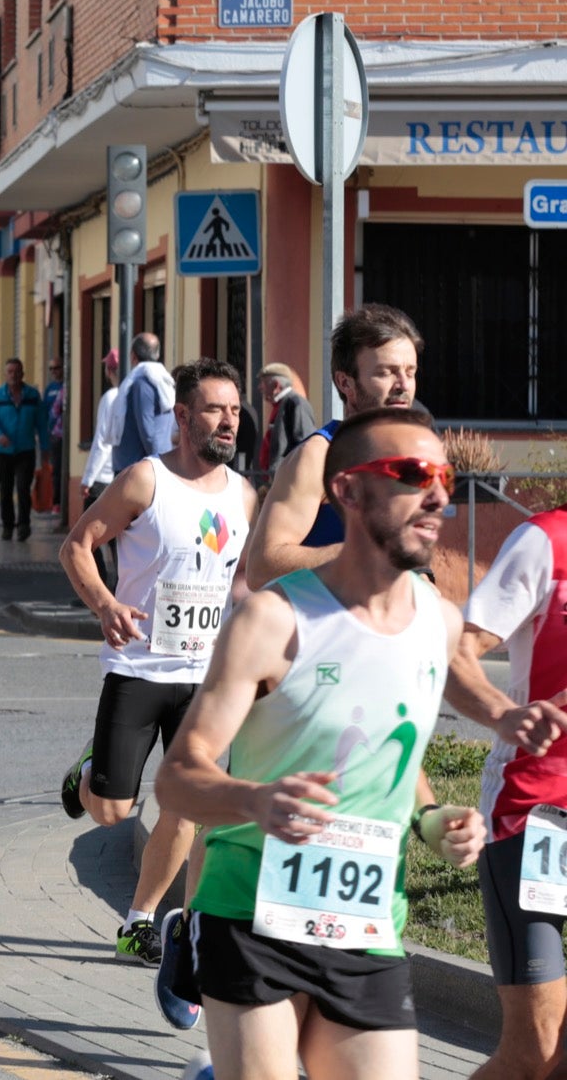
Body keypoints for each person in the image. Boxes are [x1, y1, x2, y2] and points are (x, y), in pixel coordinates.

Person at [156, 407, 490, 1080]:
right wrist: (256, 799)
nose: (437, 494)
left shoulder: (437, 623)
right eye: (411, 474)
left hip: (366, 922)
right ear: (348, 490)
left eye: (445, 477)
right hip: (252, 910)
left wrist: (431, 821)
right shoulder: (272, 618)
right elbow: (176, 779)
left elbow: (391, 747)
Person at [57, 359, 256, 975]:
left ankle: (139, 922)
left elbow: (245, 579)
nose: (228, 422)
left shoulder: (245, 493)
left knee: (187, 806)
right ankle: (91, 769)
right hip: (139, 668)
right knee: (114, 811)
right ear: (183, 417)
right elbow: (77, 545)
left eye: (234, 410)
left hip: (206, 678)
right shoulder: (145, 482)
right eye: (215, 410)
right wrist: (105, 603)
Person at [443, 504, 567, 1080]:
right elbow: (458, 653)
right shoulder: (544, 541)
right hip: (536, 818)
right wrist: (506, 714)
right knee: (534, 1055)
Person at [243, 304, 421, 590]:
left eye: (410, 372)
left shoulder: (410, 455)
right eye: (387, 372)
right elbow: (262, 565)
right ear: (345, 382)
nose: (403, 385)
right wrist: (362, 555)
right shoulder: (319, 456)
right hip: (323, 629)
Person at [0, 357, 45, 541]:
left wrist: (46, 449)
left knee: (23, 488)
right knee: (6, 489)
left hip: (26, 450)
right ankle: (7, 526)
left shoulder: (33, 395)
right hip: (3, 452)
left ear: (22, 374)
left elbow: (41, 423)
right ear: (5, 374)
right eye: (10, 372)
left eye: (17, 371)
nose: (14, 375)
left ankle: (24, 525)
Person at [80, 348, 123, 582]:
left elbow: (102, 442)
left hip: (103, 478)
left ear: (109, 370)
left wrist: (87, 479)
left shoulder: (111, 397)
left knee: (87, 539)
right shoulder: (132, 395)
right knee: (120, 541)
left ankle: (98, 586)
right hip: (123, 477)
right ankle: (121, 587)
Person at [112, 333, 175, 475]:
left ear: (133, 356)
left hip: (139, 468)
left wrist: (158, 465)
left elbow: (147, 431)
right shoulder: (164, 381)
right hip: (152, 463)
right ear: (157, 355)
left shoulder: (141, 384)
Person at [258, 362, 317, 479]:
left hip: (289, 479)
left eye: (263, 383)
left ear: (276, 385)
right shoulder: (281, 404)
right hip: (278, 477)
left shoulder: (295, 403)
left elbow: (305, 442)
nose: (260, 387)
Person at [44, 358, 66, 516]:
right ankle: (56, 502)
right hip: (55, 434)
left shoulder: (66, 385)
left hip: (63, 434)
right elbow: (47, 411)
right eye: (51, 369)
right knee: (56, 470)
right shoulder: (50, 388)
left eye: (56, 368)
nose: (54, 372)